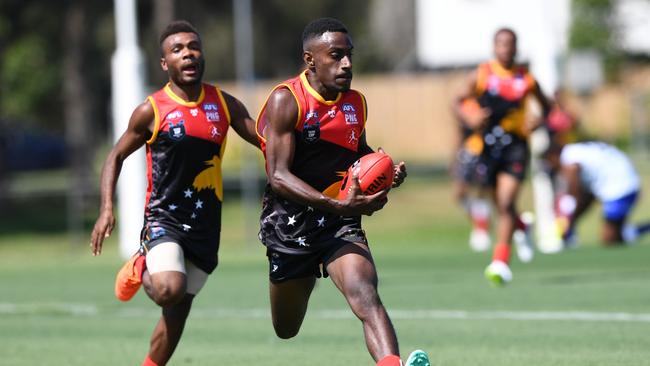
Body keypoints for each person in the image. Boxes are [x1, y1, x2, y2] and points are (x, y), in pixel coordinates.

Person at [255, 18, 430, 366]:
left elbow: (357, 152)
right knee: (286, 328)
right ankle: (309, 272)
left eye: (349, 55)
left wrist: (381, 168)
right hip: (290, 224)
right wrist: (333, 202)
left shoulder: (356, 103)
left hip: (340, 221)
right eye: (336, 56)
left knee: (365, 294)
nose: (347, 64)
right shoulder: (287, 100)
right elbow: (278, 176)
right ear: (310, 60)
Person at [90, 20, 259, 366]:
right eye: (178, 50)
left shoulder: (224, 104)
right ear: (165, 63)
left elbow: (268, 141)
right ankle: (142, 263)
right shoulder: (152, 110)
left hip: (206, 226)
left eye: (193, 47)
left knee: (178, 310)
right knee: (169, 288)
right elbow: (116, 156)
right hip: (164, 220)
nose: (188, 54)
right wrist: (107, 208)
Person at [453, 27, 552, 285]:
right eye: (501, 43)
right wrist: (469, 115)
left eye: (510, 44)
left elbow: (547, 106)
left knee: (506, 202)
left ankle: (500, 261)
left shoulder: (526, 78)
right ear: (494, 47)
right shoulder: (483, 74)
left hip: (515, 146)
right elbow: (459, 101)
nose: (506, 48)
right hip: (487, 145)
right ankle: (522, 226)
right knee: (499, 203)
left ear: (516, 47)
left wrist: (537, 121)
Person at [544, 141, 650, 246]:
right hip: (624, 182)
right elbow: (587, 197)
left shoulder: (569, 158)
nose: (552, 167)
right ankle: (629, 232)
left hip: (620, 188)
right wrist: (572, 221)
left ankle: (639, 230)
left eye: (550, 163)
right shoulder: (577, 151)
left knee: (609, 239)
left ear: (554, 156)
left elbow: (575, 194)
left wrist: (568, 220)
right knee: (613, 236)